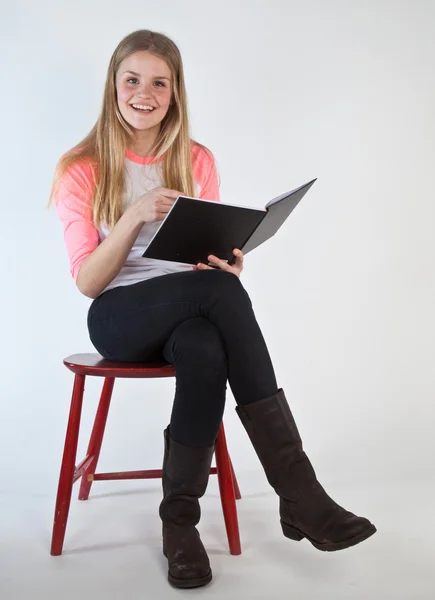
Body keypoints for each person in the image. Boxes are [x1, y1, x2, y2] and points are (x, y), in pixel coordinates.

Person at [50, 29, 376, 590]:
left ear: (175, 92)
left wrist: (223, 264)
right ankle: (299, 492)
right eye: (132, 80)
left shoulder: (195, 160)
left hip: (190, 307)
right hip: (119, 317)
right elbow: (86, 281)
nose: (144, 93)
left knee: (205, 340)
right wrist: (133, 216)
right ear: (114, 86)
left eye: (159, 82)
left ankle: (179, 525)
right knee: (215, 302)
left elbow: (198, 264)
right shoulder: (81, 167)